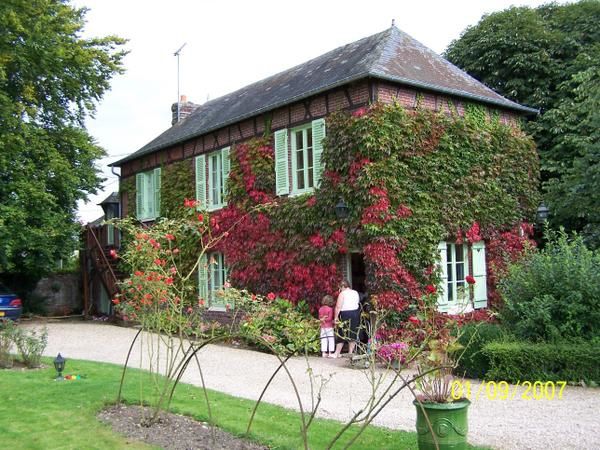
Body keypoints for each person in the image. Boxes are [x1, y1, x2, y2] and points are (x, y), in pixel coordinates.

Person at [332, 279, 361, 358]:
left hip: (345, 313)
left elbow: (338, 306)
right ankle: (350, 352)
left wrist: (336, 317)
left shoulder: (342, 293)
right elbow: (357, 303)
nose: (339, 290)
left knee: (341, 332)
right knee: (353, 332)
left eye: (340, 288)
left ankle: (337, 353)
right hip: (355, 313)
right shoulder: (355, 292)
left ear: (342, 287)